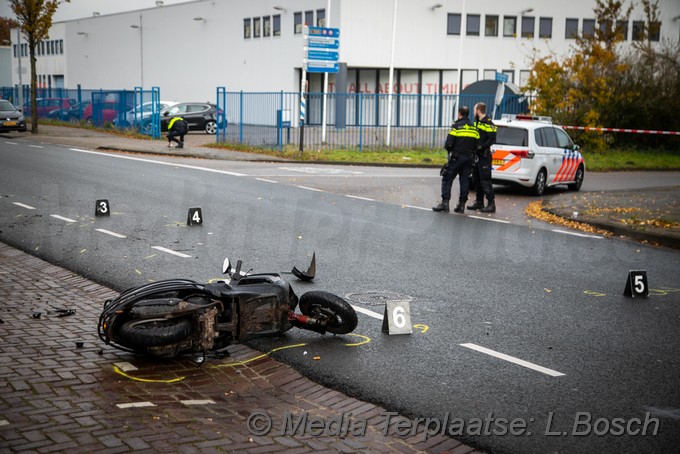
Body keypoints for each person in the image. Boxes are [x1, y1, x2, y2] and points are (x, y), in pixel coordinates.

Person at [433, 106, 480, 213]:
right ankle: (461, 205)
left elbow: (448, 144)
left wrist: (452, 150)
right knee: (464, 180)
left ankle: (445, 203)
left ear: (459, 113)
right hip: (469, 159)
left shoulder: (456, 127)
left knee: (447, 178)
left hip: (456, 158)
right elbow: (477, 145)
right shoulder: (474, 128)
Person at [468, 102, 497, 213]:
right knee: (477, 180)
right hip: (476, 156)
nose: (474, 112)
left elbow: (492, 139)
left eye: (475, 110)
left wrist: (481, 147)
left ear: (479, 111)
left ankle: (491, 204)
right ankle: (479, 202)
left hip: (484, 156)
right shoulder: (476, 123)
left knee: (485, 181)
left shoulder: (489, 123)